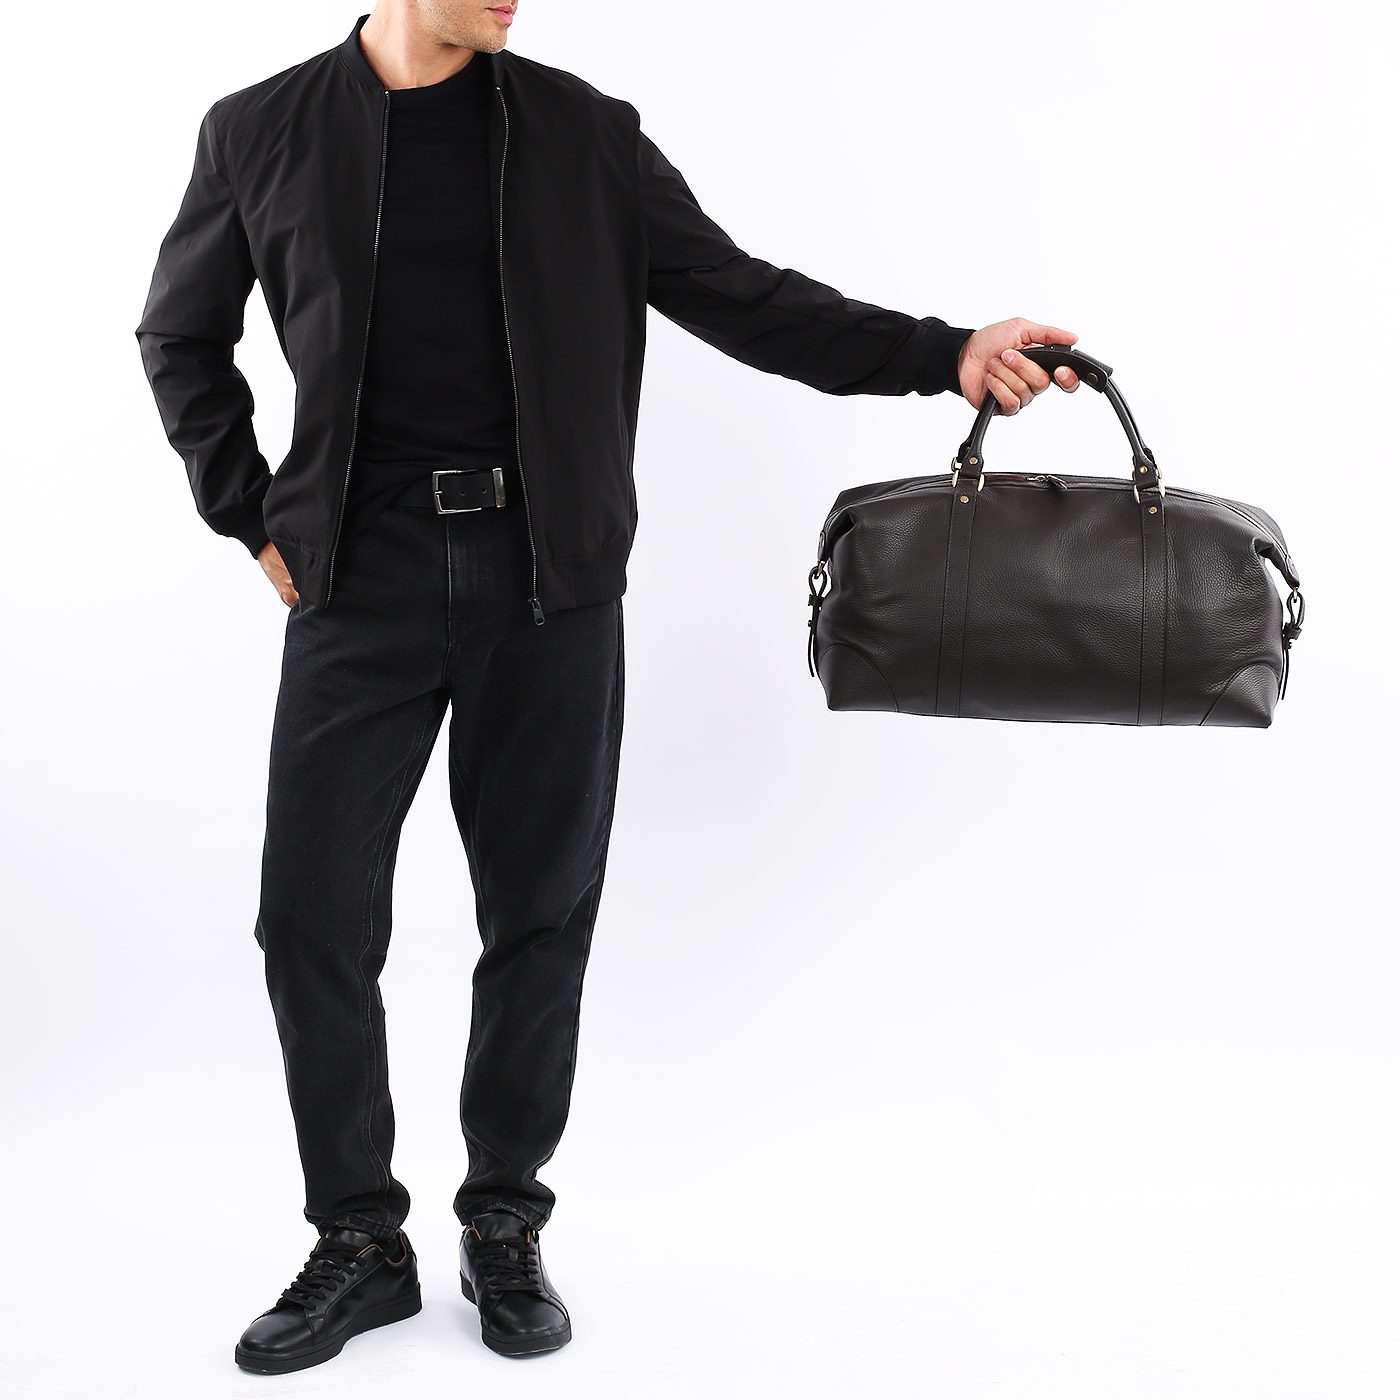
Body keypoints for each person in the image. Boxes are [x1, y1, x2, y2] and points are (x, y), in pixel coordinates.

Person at [134, 0, 1081, 1373]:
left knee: (539, 912)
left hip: (548, 582)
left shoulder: (583, 134)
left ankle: (503, 1220)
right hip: (357, 584)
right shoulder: (260, 131)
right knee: (309, 920)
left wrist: (945, 354)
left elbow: (746, 299)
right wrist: (248, 512)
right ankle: (359, 1240)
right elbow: (179, 335)